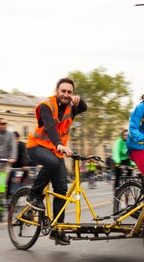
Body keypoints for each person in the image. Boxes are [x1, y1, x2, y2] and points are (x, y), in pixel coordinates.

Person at [26, 77, 87, 245]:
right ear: (57, 91)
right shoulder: (47, 105)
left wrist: (79, 101)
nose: (66, 95)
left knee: (61, 190)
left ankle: (57, 230)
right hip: (36, 146)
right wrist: (59, 144)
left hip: (56, 151)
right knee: (51, 163)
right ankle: (33, 195)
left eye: (70, 92)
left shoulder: (70, 107)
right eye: (63, 91)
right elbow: (50, 127)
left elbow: (84, 107)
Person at [7, 131, 34, 198]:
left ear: (18, 139)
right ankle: (2, 196)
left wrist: (24, 165)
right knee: (2, 183)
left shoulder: (22, 145)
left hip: (19, 167)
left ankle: (20, 193)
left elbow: (24, 155)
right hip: (6, 167)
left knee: (22, 178)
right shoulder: (8, 146)